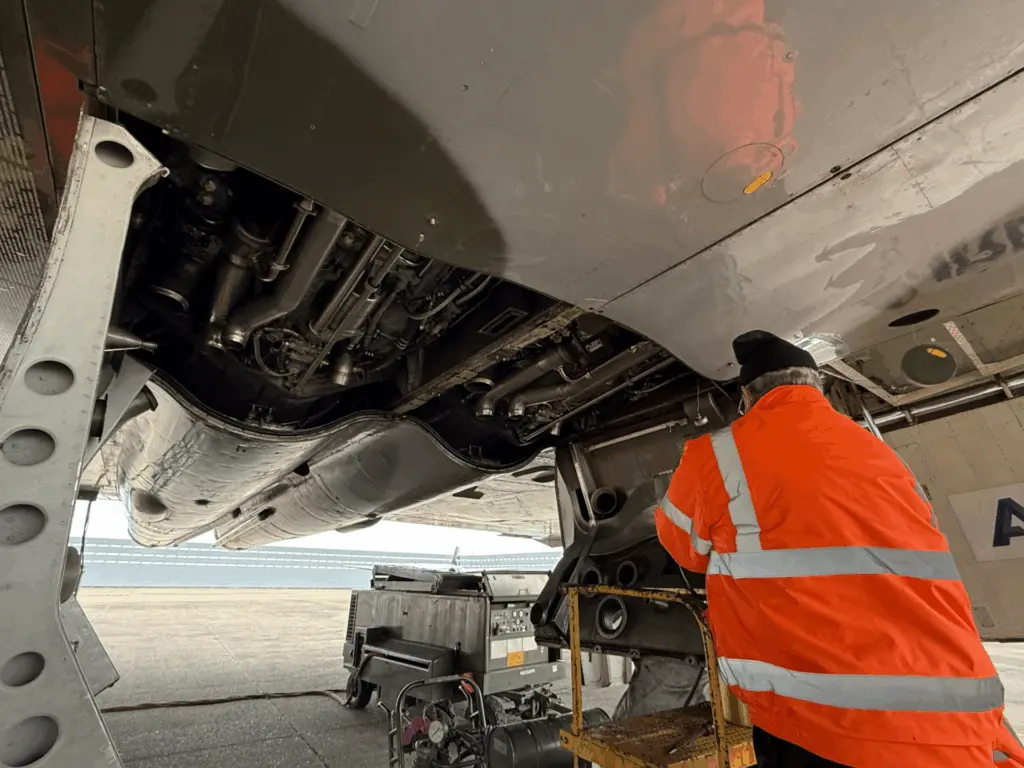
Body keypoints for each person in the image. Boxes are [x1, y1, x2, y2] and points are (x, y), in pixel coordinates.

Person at [655, 330, 1024, 767]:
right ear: (817, 385)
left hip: (828, 722)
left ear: (746, 394)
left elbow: (683, 547)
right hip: (960, 720)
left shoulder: (718, 454)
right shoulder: (882, 454)